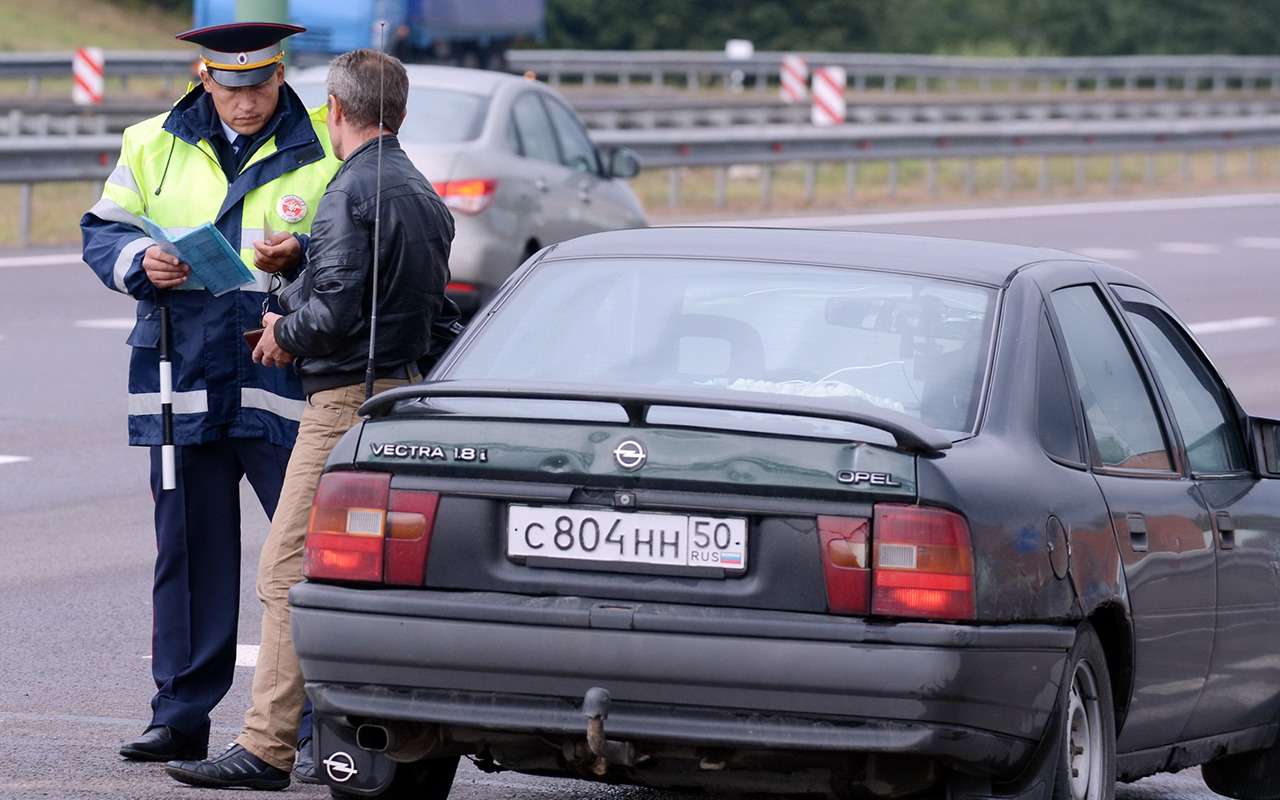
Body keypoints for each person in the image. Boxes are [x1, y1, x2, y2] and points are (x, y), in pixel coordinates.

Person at [165, 48, 456, 791]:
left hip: (341, 404)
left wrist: (279, 330)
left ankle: (265, 747)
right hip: (401, 393)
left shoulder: (351, 188)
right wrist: (301, 262)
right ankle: (344, 735)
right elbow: (399, 300)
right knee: (359, 577)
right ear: (402, 111)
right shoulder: (418, 191)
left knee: (286, 571)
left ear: (334, 109)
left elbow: (340, 309)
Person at [79, 22, 340, 770]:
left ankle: (319, 720)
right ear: (204, 77)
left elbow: (356, 240)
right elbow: (104, 229)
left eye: (260, 87)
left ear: (280, 75)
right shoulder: (150, 140)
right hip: (180, 372)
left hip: (280, 374)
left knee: (307, 560)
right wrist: (140, 260)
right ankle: (180, 716)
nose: (248, 103)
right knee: (187, 554)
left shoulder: (323, 142)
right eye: (232, 89)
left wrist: (303, 253)